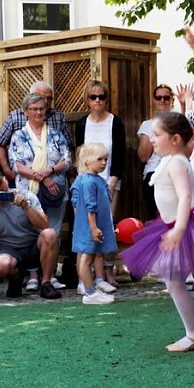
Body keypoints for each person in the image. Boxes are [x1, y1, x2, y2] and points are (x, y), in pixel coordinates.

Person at [120, 112, 194, 352]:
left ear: (175, 139)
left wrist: (179, 229)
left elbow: (185, 196)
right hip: (174, 225)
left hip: (187, 226)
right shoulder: (170, 159)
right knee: (175, 282)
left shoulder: (177, 162)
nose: (151, 139)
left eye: (157, 135)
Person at [0, 167, 62, 301]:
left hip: (33, 246)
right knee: (0, 265)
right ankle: (15, 278)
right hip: (8, 250)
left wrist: (26, 207)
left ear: (5, 180)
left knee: (50, 234)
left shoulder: (27, 196)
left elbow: (44, 225)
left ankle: (46, 283)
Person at [75, 80, 127, 287]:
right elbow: (79, 154)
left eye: (101, 96)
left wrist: (113, 181)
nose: (97, 100)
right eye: (93, 97)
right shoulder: (82, 124)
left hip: (109, 181)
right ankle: (87, 277)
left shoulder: (115, 122)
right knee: (89, 226)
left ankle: (107, 271)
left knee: (108, 225)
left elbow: (120, 153)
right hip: (87, 182)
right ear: (87, 100)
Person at [8, 93, 72, 240]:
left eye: (41, 109)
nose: (38, 112)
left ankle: (52, 256)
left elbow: (67, 160)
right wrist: (43, 179)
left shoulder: (56, 134)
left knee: (54, 232)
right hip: (27, 191)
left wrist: (50, 170)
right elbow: (16, 165)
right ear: (26, 111)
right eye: (34, 109)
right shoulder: (18, 136)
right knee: (30, 233)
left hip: (55, 191)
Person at [0, 81, 73, 183]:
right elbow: (0, 144)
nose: (45, 101)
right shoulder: (15, 118)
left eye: (49, 98)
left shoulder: (58, 117)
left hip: (55, 179)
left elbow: (68, 148)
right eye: (42, 97)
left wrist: (69, 173)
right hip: (26, 179)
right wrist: (6, 169)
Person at [70, 142, 118, 305]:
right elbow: (90, 207)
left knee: (90, 257)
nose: (104, 163)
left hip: (93, 226)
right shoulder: (88, 181)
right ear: (87, 160)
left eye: (105, 159)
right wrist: (93, 227)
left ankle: (91, 289)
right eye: (100, 159)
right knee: (86, 258)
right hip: (90, 227)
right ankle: (89, 292)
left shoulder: (96, 180)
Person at [137, 83, 176, 219]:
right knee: (155, 216)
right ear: (154, 100)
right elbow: (143, 156)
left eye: (166, 97)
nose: (162, 101)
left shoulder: (178, 122)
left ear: (171, 100)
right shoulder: (147, 124)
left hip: (175, 170)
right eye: (159, 98)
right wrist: (156, 128)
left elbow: (187, 151)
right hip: (153, 172)